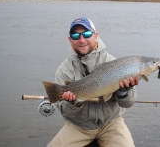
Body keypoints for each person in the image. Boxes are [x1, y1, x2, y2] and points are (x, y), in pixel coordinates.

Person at [47, 17, 139, 147]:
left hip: (111, 123)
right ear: (70, 40)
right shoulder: (64, 70)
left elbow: (128, 103)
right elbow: (64, 112)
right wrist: (72, 103)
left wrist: (123, 93)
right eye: (75, 35)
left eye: (87, 34)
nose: (82, 40)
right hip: (79, 126)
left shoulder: (114, 63)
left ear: (96, 36)